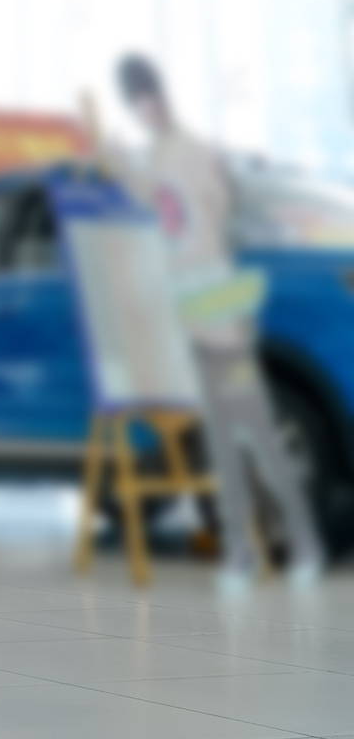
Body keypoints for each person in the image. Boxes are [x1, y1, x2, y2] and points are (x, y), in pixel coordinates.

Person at [114, 55, 325, 591]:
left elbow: (205, 216)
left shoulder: (188, 155)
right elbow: (162, 206)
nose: (143, 110)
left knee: (250, 429)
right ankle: (247, 549)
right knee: (226, 437)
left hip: (215, 307)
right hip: (196, 308)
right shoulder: (163, 158)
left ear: (155, 96)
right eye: (136, 102)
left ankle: (295, 542)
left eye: (143, 98)